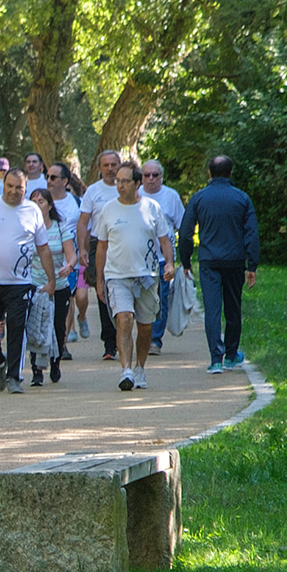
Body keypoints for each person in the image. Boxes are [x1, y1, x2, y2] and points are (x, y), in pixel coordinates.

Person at [0, 170, 57, 395]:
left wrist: (51, 279)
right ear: (3, 185)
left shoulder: (32, 210)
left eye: (20, 188)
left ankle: (14, 377)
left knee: (17, 329)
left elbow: (43, 248)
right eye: (11, 186)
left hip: (20, 283)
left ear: (26, 189)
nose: (15, 192)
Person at [88, 160, 175, 391]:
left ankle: (140, 368)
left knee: (145, 327)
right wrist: (99, 280)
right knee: (124, 319)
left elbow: (165, 240)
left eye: (125, 181)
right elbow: (101, 247)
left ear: (137, 183)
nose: (120, 185)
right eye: (117, 181)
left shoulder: (152, 208)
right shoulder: (108, 209)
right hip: (117, 276)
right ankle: (125, 370)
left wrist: (169, 264)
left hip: (147, 276)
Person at [179, 154, 260, 374]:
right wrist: (251, 265)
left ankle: (216, 359)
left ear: (209, 173)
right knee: (233, 307)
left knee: (212, 308)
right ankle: (231, 355)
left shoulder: (199, 198)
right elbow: (251, 233)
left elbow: (186, 232)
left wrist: (185, 260)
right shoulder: (242, 198)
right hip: (235, 260)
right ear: (231, 173)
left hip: (209, 260)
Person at [75, 149, 123, 358]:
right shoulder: (93, 192)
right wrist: (83, 249)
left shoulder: (127, 187)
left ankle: (125, 337)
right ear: (99, 168)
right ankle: (110, 344)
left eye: (114, 165)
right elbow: (83, 222)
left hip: (123, 243)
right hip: (99, 244)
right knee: (103, 290)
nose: (110, 169)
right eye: (106, 165)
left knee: (123, 290)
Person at [25, 188, 74, 386]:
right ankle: (37, 371)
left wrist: (68, 266)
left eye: (41, 201)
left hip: (59, 286)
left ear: (50, 205)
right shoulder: (25, 228)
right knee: (34, 327)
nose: (38, 204)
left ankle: (55, 363)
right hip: (33, 286)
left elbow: (71, 255)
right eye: (33, 201)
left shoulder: (60, 227)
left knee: (57, 326)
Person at [140, 161, 185, 354]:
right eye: (147, 175)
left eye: (155, 175)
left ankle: (155, 341)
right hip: (137, 258)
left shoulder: (171, 196)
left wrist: (176, 260)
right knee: (139, 299)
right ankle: (142, 335)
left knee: (160, 299)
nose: (151, 179)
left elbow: (182, 225)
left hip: (161, 258)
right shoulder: (135, 195)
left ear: (162, 177)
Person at [46, 162, 85, 348]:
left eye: (53, 177)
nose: (49, 180)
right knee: (57, 299)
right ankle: (57, 341)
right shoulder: (41, 202)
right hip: (46, 262)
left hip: (73, 261)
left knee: (73, 298)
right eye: (47, 176)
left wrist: (83, 252)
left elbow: (85, 228)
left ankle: (63, 342)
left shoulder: (76, 203)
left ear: (64, 181)